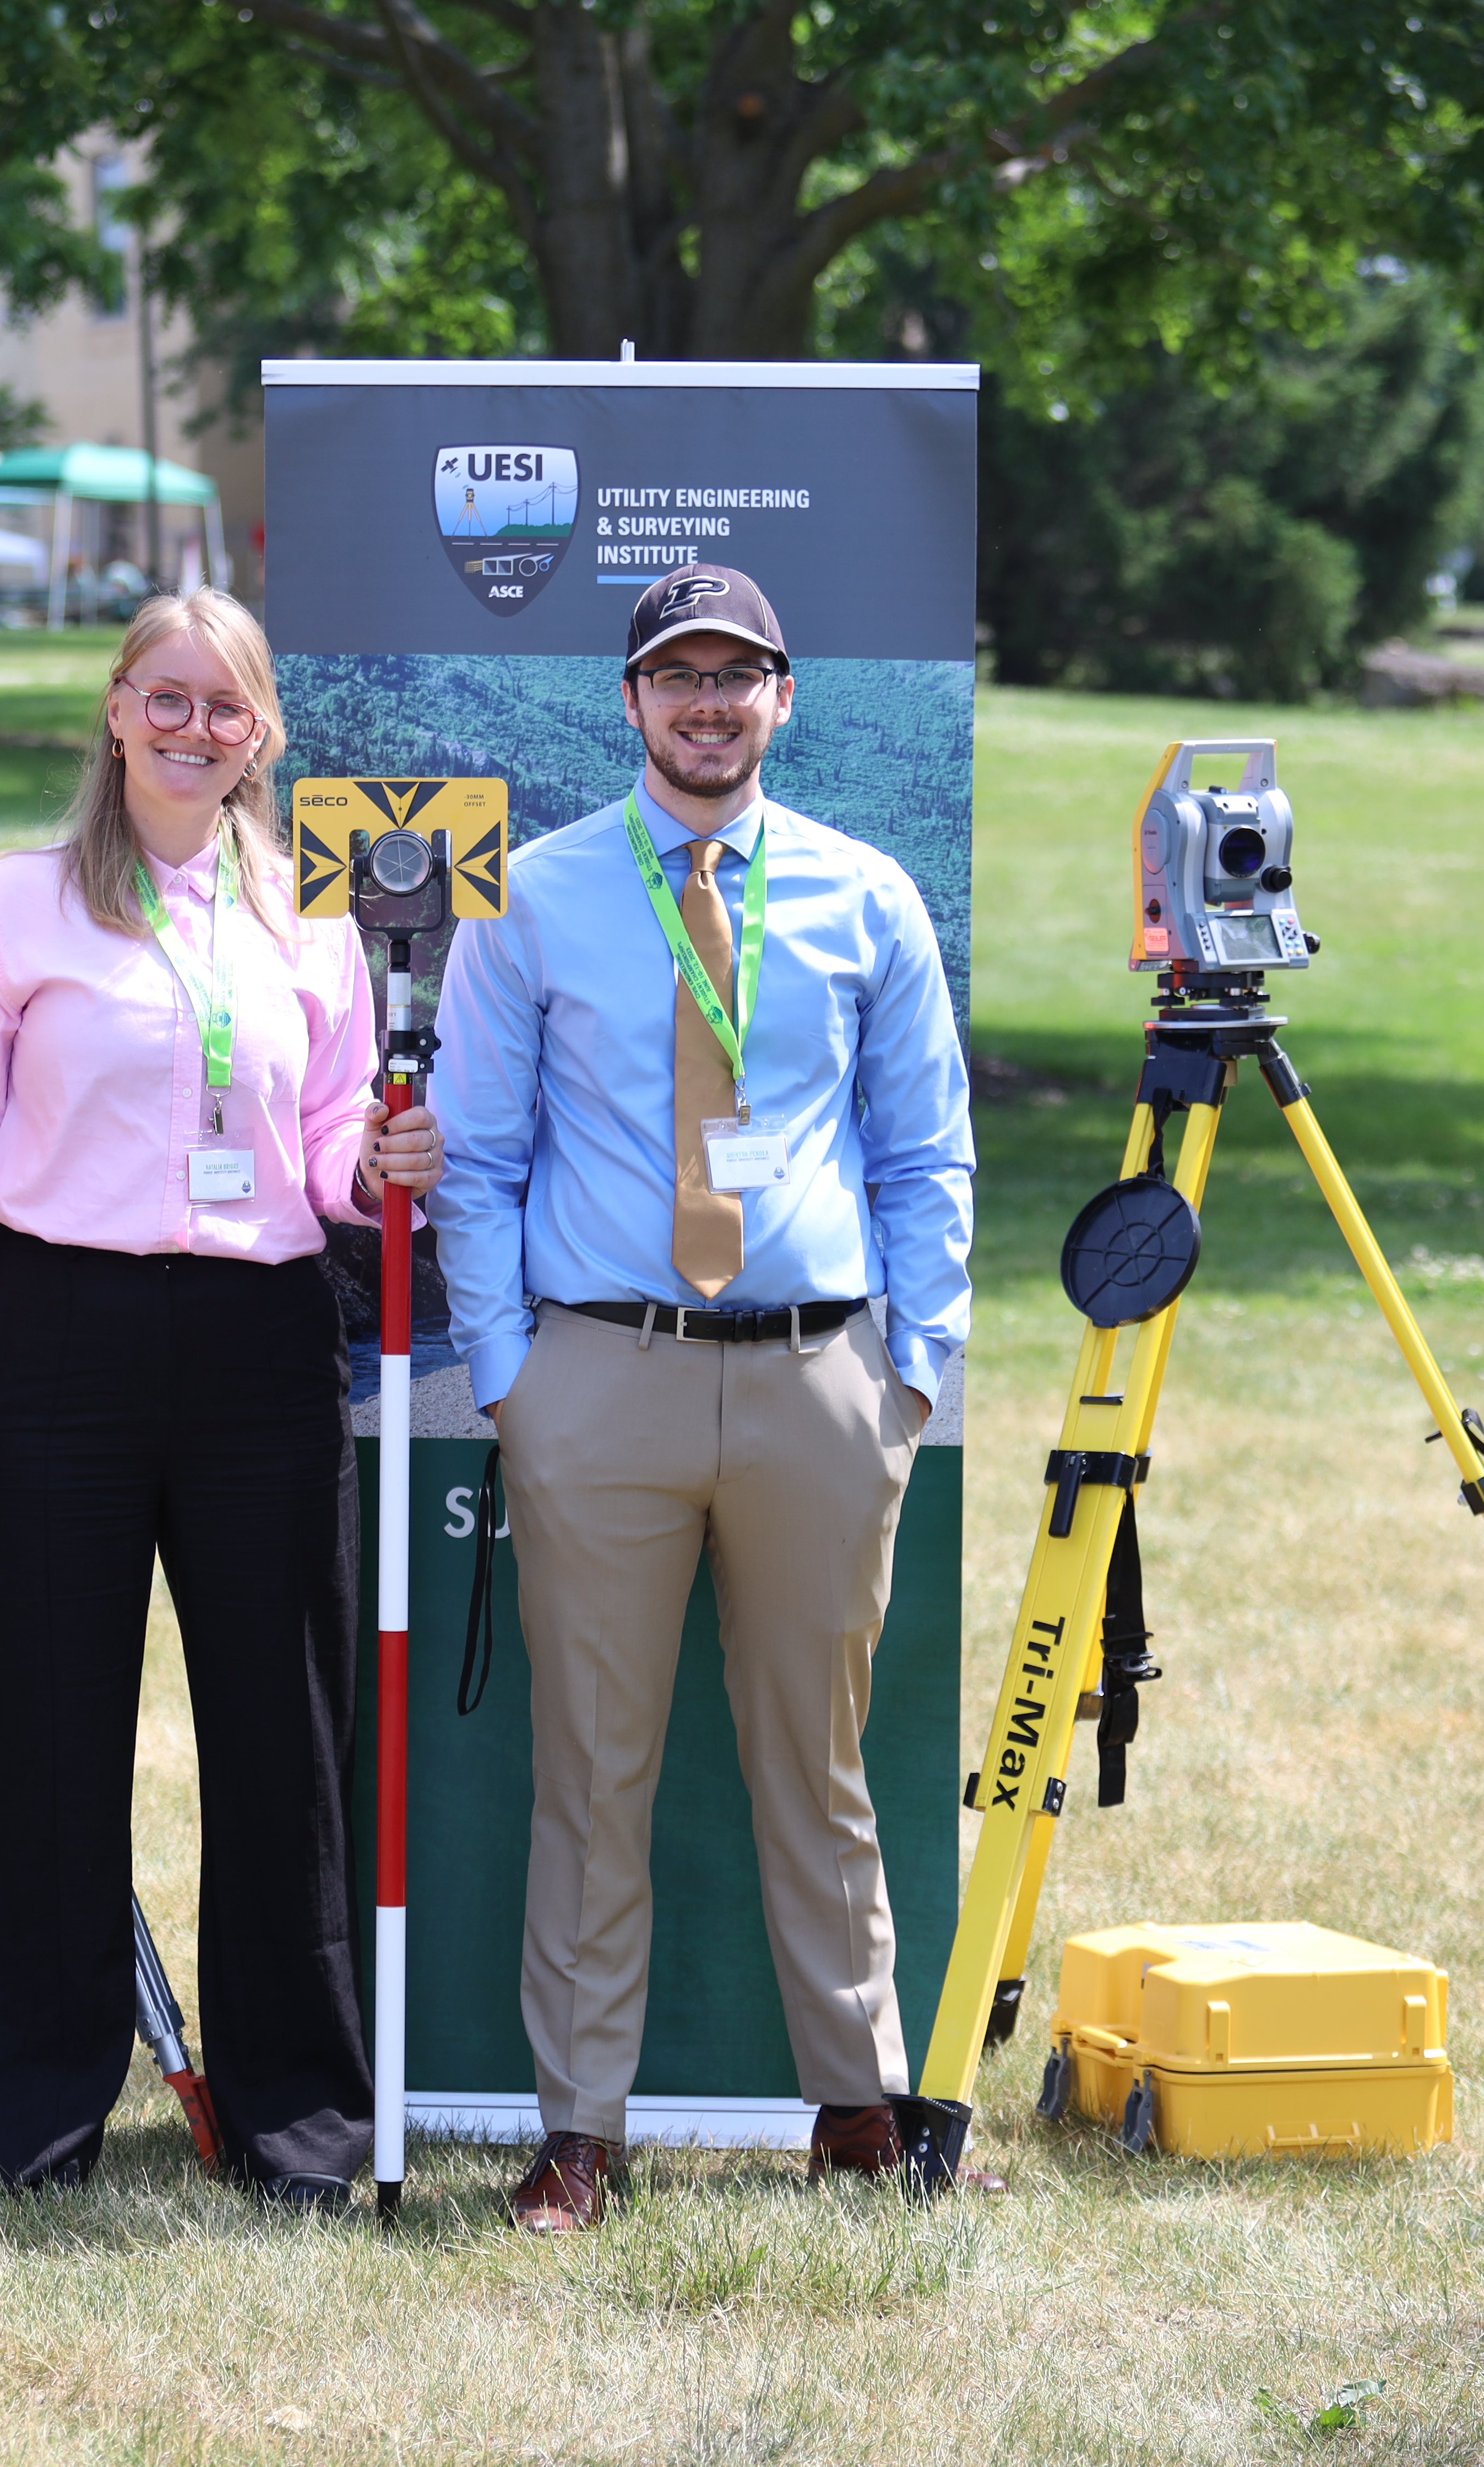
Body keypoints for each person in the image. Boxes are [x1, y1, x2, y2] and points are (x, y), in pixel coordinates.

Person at [429, 562, 979, 2234]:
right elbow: (472, 1153)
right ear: (629, 701)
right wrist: (512, 1380)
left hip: (818, 1376)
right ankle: (577, 2126)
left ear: (781, 697)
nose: (706, 702)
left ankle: (856, 2103)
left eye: (736, 673)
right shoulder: (533, 894)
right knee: (591, 1768)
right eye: (677, 674)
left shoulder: (865, 895)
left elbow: (921, 1147)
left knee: (813, 1766)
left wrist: (909, 1370)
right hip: (599, 1374)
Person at [0, 586, 440, 2202]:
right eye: (166, 696)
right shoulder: (16, 905)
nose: (194, 728)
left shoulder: (311, 914)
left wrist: (381, 1160)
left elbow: (338, 1140)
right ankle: (31, 2107)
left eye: (227, 706)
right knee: (45, 1726)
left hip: (258, 1342)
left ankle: (297, 2114)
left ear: (262, 735)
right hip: (55, 1335)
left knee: (278, 1739)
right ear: (116, 709)